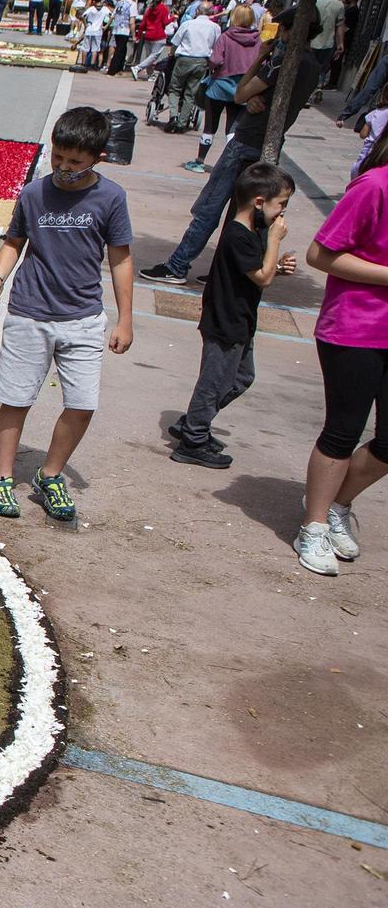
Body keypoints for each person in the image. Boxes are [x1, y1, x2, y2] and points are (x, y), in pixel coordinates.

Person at [0, 108, 134, 524]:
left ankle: (50, 475)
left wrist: (125, 319)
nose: (64, 169)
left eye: (76, 162)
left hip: (83, 317)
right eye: (59, 158)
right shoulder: (33, 194)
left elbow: (120, 259)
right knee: (16, 399)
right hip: (29, 312)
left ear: (99, 158)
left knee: (82, 404)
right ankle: (3, 478)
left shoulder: (111, 198)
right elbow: (14, 242)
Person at [296, 134, 388, 575]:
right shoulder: (374, 186)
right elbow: (321, 254)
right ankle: (313, 526)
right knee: (343, 431)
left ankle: (338, 504)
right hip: (356, 328)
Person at [143, 44, 309, 285]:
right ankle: (229, 271)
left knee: (210, 207)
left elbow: (240, 94)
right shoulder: (313, 65)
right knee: (248, 214)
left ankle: (178, 266)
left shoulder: (284, 59)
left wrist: (262, 56)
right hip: (267, 144)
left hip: (246, 141)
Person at [168, 163, 298, 470]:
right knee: (214, 383)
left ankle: (194, 421)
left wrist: (277, 266)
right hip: (226, 322)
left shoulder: (251, 231)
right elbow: (262, 278)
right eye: (281, 204)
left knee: (241, 377)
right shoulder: (238, 234)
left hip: (240, 320)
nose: (281, 214)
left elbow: (257, 273)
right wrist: (276, 244)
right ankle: (193, 440)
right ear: (258, 202)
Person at [188, 4, 262, 173]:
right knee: (233, 128)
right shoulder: (257, 39)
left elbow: (215, 60)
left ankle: (200, 161)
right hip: (243, 89)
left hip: (220, 86)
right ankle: (231, 163)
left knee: (210, 126)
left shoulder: (226, 36)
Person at [162, 2, 220, 132]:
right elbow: (217, 46)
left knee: (175, 88)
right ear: (211, 13)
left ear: (197, 12)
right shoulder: (215, 27)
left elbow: (175, 42)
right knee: (190, 93)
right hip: (202, 61)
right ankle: (182, 123)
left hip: (184, 58)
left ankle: (173, 116)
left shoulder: (188, 24)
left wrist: (171, 54)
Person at [307, 0, 344, 104]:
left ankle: (306, 94)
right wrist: (340, 44)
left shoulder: (315, 2)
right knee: (322, 68)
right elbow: (340, 26)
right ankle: (319, 87)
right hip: (328, 42)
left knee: (309, 66)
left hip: (312, 41)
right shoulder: (339, 5)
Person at [75, 0, 109, 72]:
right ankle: (92, 64)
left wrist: (86, 24)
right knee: (95, 49)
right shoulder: (105, 9)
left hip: (89, 29)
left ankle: (83, 64)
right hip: (98, 31)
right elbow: (111, 16)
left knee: (85, 47)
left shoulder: (91, 8)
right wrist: (106, 26)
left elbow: (83, 16)